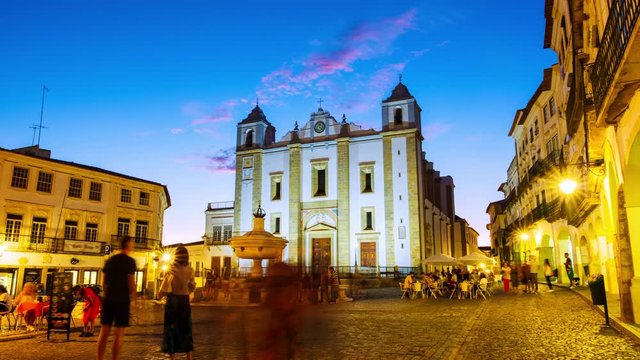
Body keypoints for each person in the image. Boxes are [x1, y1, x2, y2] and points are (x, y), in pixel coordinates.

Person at [97, 236, 137, 360]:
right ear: (128, 245)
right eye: (132, 244)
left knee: (104, 332)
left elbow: (104, 280)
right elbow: (130, 282)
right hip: (122, 300)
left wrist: (106, 293)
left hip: (108, 299)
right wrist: (134, 298)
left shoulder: (110, 260)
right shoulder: (130, 261)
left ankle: (99, 359)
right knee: (119, 334)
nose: (133, 246)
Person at [159, 246, 195, 360]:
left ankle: (172, 358)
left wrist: (160, 295)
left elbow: (163, 288)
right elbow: (192, 287)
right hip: (184, 301)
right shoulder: (190, 270)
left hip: (173, 301)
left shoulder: (171, 269)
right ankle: (189, 357)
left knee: (171, 329)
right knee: (186, 329)